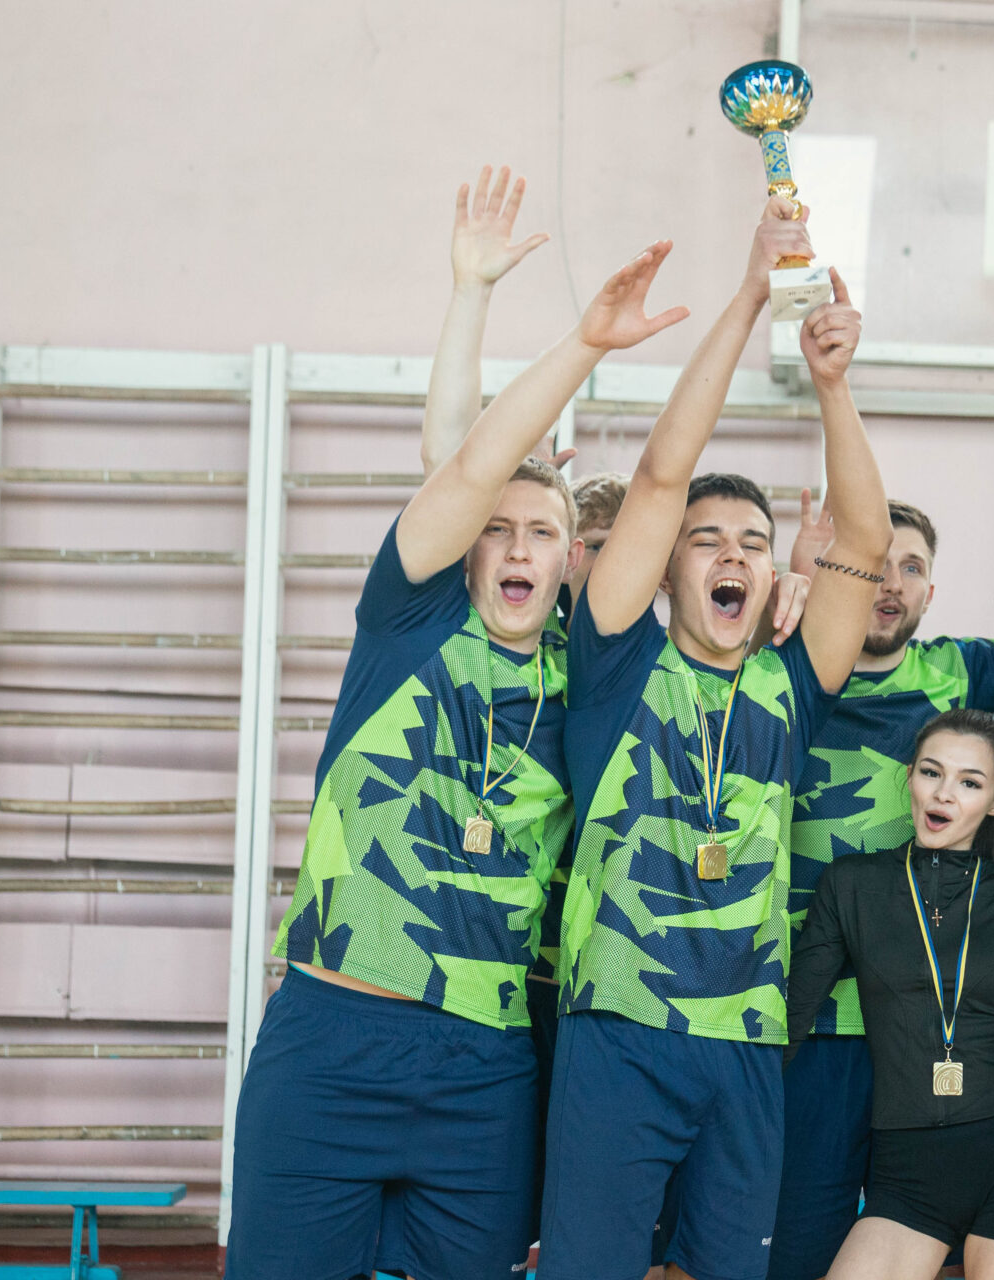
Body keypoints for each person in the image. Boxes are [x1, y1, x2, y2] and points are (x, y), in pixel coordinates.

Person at [226, 242, 686, 1280]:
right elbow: (466, 463)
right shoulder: (411, 624)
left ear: (572, 559)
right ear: (468, 543)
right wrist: (565, 335)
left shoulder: (588, 674)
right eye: (498, 530)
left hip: (486, 1064)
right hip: (334, 1035)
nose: (518, 547)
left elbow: (663, 521)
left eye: (543, 532)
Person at [539, 197, 892, 1280]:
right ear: (666, 568)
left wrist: (833, 384)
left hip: (746, 1040)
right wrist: (748, 297)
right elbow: (659, 474)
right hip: (618, 1029)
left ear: (772, 571)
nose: (732, 555)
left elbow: (866, 537)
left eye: (752, 541)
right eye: (706, 541)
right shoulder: (618, 662)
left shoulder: (790, 684)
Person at [772, 497, 994, 1280]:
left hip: (927, 1033)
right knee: (799, 1247)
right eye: (875, 563)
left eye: (910, 567)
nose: (890, 582)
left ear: (930, 591)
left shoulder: (963, 673)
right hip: (812, 1030)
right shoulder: (781, 668)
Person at [787, 709, 994, 1280]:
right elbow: (790, 1018)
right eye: (931, 772)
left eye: (970, 782)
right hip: (904, 1172)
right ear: (911, 778)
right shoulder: (852, 884)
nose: (944, 793)